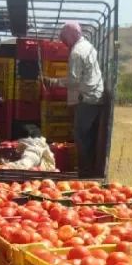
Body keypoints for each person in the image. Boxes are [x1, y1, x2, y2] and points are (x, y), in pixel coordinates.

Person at [42, 21, 105, 177]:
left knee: (81, 135)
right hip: (95, 95)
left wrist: (53, 81)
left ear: (72, 35)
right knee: (88, 135)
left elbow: (74, 80)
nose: (62, 41)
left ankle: (86, 171)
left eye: (64, 37)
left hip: (86, 98)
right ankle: (90, 168)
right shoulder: (89, 46)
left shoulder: (76, 52)